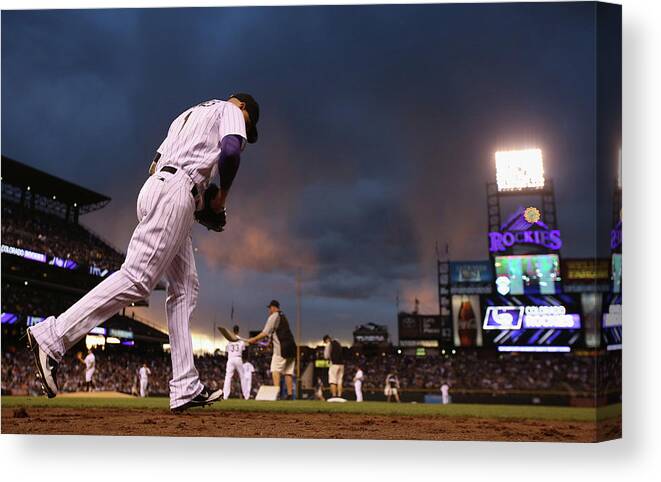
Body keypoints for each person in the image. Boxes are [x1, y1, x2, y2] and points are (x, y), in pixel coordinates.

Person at [26, 93, 260, 412]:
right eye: (249, 124)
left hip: (159, 188)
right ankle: (52, 336)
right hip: (176, 193)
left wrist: (198, 201)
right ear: (243, 107)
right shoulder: (229, 110)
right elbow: (231, 150)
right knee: (137, 279)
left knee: (185, 289)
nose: (246, 131)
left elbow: (160, 164)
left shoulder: (186, 115)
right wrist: (220, 199)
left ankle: (185, 386)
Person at [247, 300, 296, 400]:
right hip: (292, 348)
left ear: (273, 308)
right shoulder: (283, 316)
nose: (269, 310)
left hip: (281, 350)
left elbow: (265, 332)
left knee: (274, 369)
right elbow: (276, 333)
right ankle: (290, 395)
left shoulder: (274, 316)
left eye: (270, 308)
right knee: (288, 372)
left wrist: (253, 339)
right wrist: (268, 343)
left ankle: (276, 393)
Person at [223, 325, 249, 400]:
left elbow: (226, 351)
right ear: (238, 331)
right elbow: (244, 350)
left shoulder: (229, 340)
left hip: (230, 359)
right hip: (238, 358)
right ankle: (246, 396)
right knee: (242, 377)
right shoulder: (241, 340)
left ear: (233, 330)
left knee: (228, 377)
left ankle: (225, 396)